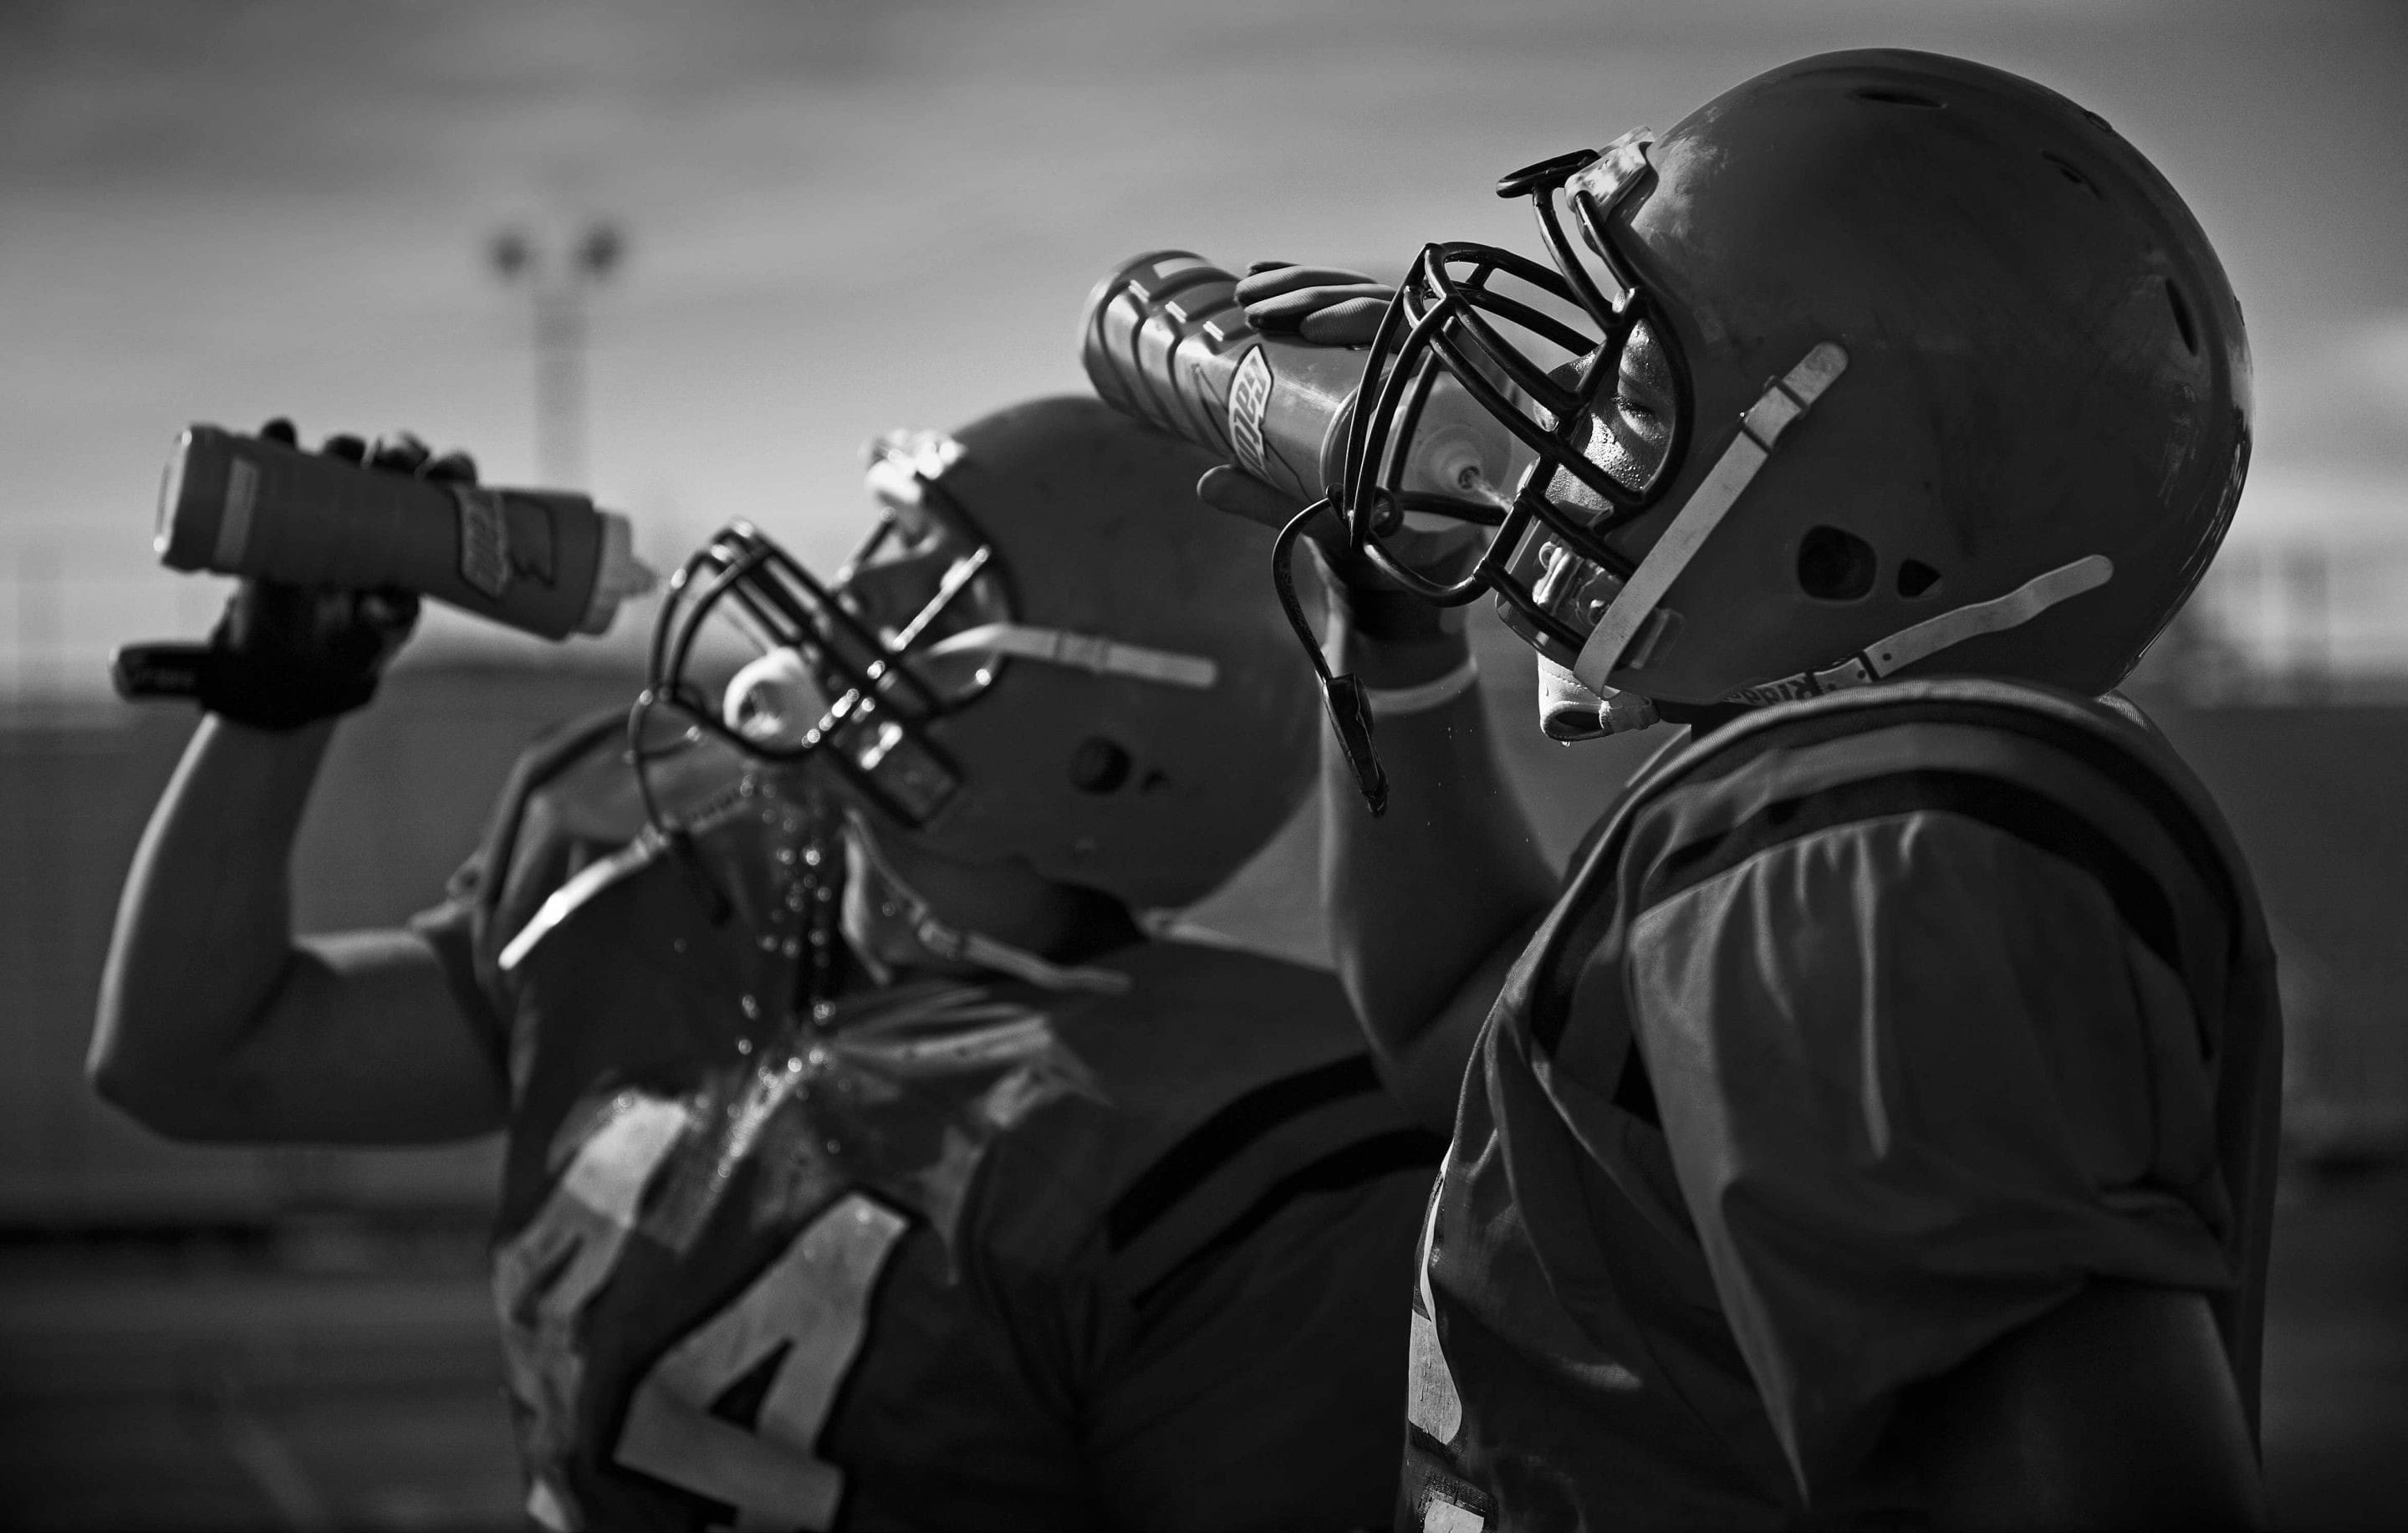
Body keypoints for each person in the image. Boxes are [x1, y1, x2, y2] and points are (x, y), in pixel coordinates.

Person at [1193, 48, 2280, 1530]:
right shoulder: (1805, 819)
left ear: (1856, 533)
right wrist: (1389, 630)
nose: (1571, 434)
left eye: (1636, 390)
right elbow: (1460, 1025)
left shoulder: (1885, 839)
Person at [91, 396, 1442, 1530]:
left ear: (1103, 749)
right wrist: (274, 709)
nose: (855, 594)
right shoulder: (667, 866)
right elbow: (199, 1058)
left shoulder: (1235, 1148)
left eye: (936, 586)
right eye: (894, 540)